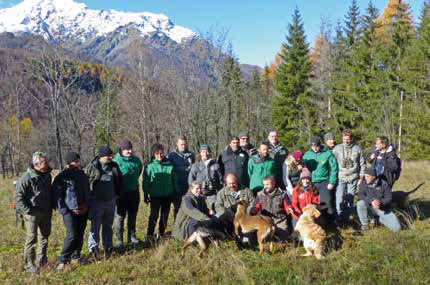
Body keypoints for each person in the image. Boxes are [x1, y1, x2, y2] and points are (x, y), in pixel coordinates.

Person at [16, 151, 53, 273]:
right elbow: (19, 197)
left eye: (46, 163)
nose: (46, 166)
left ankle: (42, 260)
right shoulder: (26, 178)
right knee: (31, 238)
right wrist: (28, 210)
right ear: (35, 164)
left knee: (45, 236)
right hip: (32, 213)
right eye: (43, 163)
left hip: (46, 211)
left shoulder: (48, 175)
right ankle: (29, 264)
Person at [53, 152, 90, 271]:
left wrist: (86, 205)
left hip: (83, 209)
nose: (78, 163)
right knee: (71, 235)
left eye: (79, 160)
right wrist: (64, 211)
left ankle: (76, 256)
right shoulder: (62, 177)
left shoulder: (83, 175)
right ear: (69, 163)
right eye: (76, 161)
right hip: (69, 211)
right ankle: (63, 260)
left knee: (80, 234)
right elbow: (58, 196)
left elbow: (87, 192)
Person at [85, 145, 122, 258]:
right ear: (101, 156)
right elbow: (85, 183)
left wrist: (117, 194)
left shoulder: (114, 166)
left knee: (107, 225)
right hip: (96, 201)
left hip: (110, 201)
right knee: (95, 226)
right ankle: (93, 248)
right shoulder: (92, 166)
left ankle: (108, 246)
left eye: (111, 155)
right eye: (108, 155)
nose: (111, 157)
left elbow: (119, 180)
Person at [143, 143, 177, 243]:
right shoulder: (149, 166)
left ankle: (161, 234)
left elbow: (174, 179)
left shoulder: (170, 165)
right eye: (157, 153)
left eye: (161, 153)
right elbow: (146, 182)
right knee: (154, 215)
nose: (159, 155)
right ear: (154, 154)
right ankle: (149, 235)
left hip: (167, 195)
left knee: (164, 216)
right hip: (155, 196)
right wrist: (145, 194)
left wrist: (175, 192)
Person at [302, 136, 338, 225]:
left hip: (324, 181)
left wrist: (332, 182)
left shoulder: (327, 153)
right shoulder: (307, 155)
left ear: (320, 145)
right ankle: (314, 223)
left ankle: (329, 223)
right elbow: (302, 168)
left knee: (327, 202)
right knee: (311, 203)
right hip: (311, 182)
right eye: (313, 146)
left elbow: (334, 168)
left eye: (317, 146)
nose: (315, 148)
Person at [113, 139, 143, 246]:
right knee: (120, 216)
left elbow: (139, 171)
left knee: (133, 215)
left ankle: (132, 236)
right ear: (121, 149)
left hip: (134, 191)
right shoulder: (115, 161)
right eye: (127, 149)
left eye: (130, 149)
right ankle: (119, 239)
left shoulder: (136, 160)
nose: (129, 151)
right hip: (121, 193)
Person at [332, 130, 365, 225]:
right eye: (344, 139)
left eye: (348, 139)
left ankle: (346, 219)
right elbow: (332, 163)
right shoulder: (337, 148)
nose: (346, 141)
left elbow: (362, 164)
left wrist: (361, 177)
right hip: (340, 177)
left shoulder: (357, 149)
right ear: (342, 138)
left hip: (353, 177)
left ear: (351, 139)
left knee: (350, 200)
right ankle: (338, 218)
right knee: (339, 198)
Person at [356, 166, 401, 232]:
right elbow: (360, 195)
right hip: (370, 207)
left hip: (382, 209)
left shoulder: (384, 184)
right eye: (365, 176)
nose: (365, 178)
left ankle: (379, 219)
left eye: (368, 176)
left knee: (397, 229)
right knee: (360, 203)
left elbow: (389, 198)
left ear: (373, 177)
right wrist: (371, 201)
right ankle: (365, 225)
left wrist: (380, 203)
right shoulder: (363, 183)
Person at [249, 175, 289, 241]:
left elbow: (287, 206)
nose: (265, 187)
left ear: (273, 184)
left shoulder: (282, 194)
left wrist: (289, 210)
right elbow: (256, 206)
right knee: (264, 239)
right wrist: (254, 210)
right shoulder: (260, 194)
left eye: (267, 184)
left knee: (283, 239)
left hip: (279, 220)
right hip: (265, 220)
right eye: (264, 184)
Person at [168, 135, 195, 220]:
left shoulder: (192, 155)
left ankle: (189, 227)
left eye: (185, 144)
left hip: (189, 186)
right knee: (178, 208)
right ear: (177, 144)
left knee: (191, 207)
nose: (183, 146)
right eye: (181, 144)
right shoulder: (171, 156)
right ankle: (177, 227)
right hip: (177, 187)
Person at [188, 144, 222, 212]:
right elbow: (190, 181)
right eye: (203, 151)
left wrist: (220, 194)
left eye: (207, 151)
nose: (205, 153)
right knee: (201, 213)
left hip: (212, 195)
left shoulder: (216, 165)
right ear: (200, 153)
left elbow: (220, 181)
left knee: (214, 213)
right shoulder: (195, 165)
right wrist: (194, 193)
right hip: (199, 195)